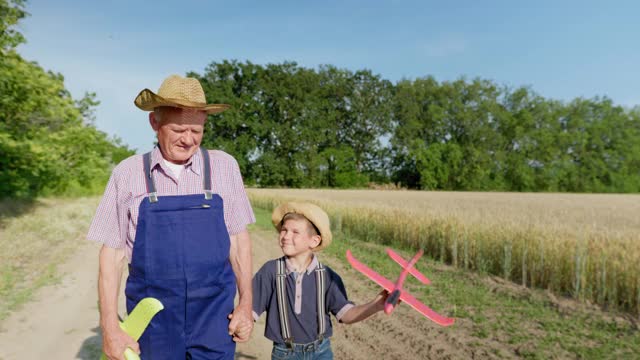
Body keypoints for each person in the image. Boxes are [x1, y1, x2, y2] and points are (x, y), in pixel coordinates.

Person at [87, 74, 255, 360]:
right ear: (155, 122)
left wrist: (245, 304)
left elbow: (239, 241)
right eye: (179, 129)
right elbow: (111, 256)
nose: (189, 140)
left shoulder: (224, 167)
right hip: (154, 321)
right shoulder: (127, 174)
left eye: (197, 130)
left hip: (214, 317)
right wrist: (110, 328)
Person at [252, 202, 387, 360]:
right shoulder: (270, 271)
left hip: (321, 352)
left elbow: (346, 315)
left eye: (295, 232)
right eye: (284, 230)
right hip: (285, 353)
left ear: (314, 241)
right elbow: (250, 310)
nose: (286, 236)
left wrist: (376, 305)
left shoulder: (328, 277)